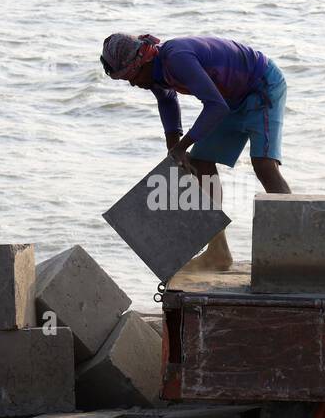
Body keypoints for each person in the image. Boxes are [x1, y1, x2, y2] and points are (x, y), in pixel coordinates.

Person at [100, 32, 291, 271]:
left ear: (143, 61)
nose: (132, 83)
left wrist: (182, 146)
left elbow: (215, 106)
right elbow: (167, 100)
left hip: (261, 85)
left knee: (264, 165)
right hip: (229, 98)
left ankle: (297, 244)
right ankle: (218, 252)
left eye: (131, 76)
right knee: (200, 162)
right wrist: (174, 150)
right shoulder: (156, 73)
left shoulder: (177, 58)